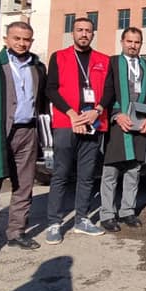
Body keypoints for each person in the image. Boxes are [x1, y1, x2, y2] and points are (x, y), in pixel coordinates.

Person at [0, 21, 48, 261]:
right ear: (6, 39)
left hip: (27, 133)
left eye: (26, 39)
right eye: (17, 38)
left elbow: (42, 102)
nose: (22, 43)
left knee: (24, 186)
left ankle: (16, 232)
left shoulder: (38, 67)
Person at [45, 17, 110, 243]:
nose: (84, 34)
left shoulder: (103, 60)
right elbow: (50, 90)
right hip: (66, 123)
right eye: (80, 30)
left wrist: (97, 110)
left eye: (88, 31)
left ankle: (82, 219)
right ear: (72, 33)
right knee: (61, 174)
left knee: (87, 175)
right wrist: (72, 113)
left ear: (93, 34)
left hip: (93, 123)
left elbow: (109, 91)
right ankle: (54, 222)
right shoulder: (59, 57)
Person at [98, 27, 146, 232]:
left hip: (140, 124)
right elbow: (106, 93)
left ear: (141, 44)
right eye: (129, 41)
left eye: (137, 42)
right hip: (118, 124)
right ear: (122, 42)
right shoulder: (112, 63)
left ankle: (127, 211)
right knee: (111, 172)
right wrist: (116, 114)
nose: (133, 45)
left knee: (134, 171)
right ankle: (107, 214)